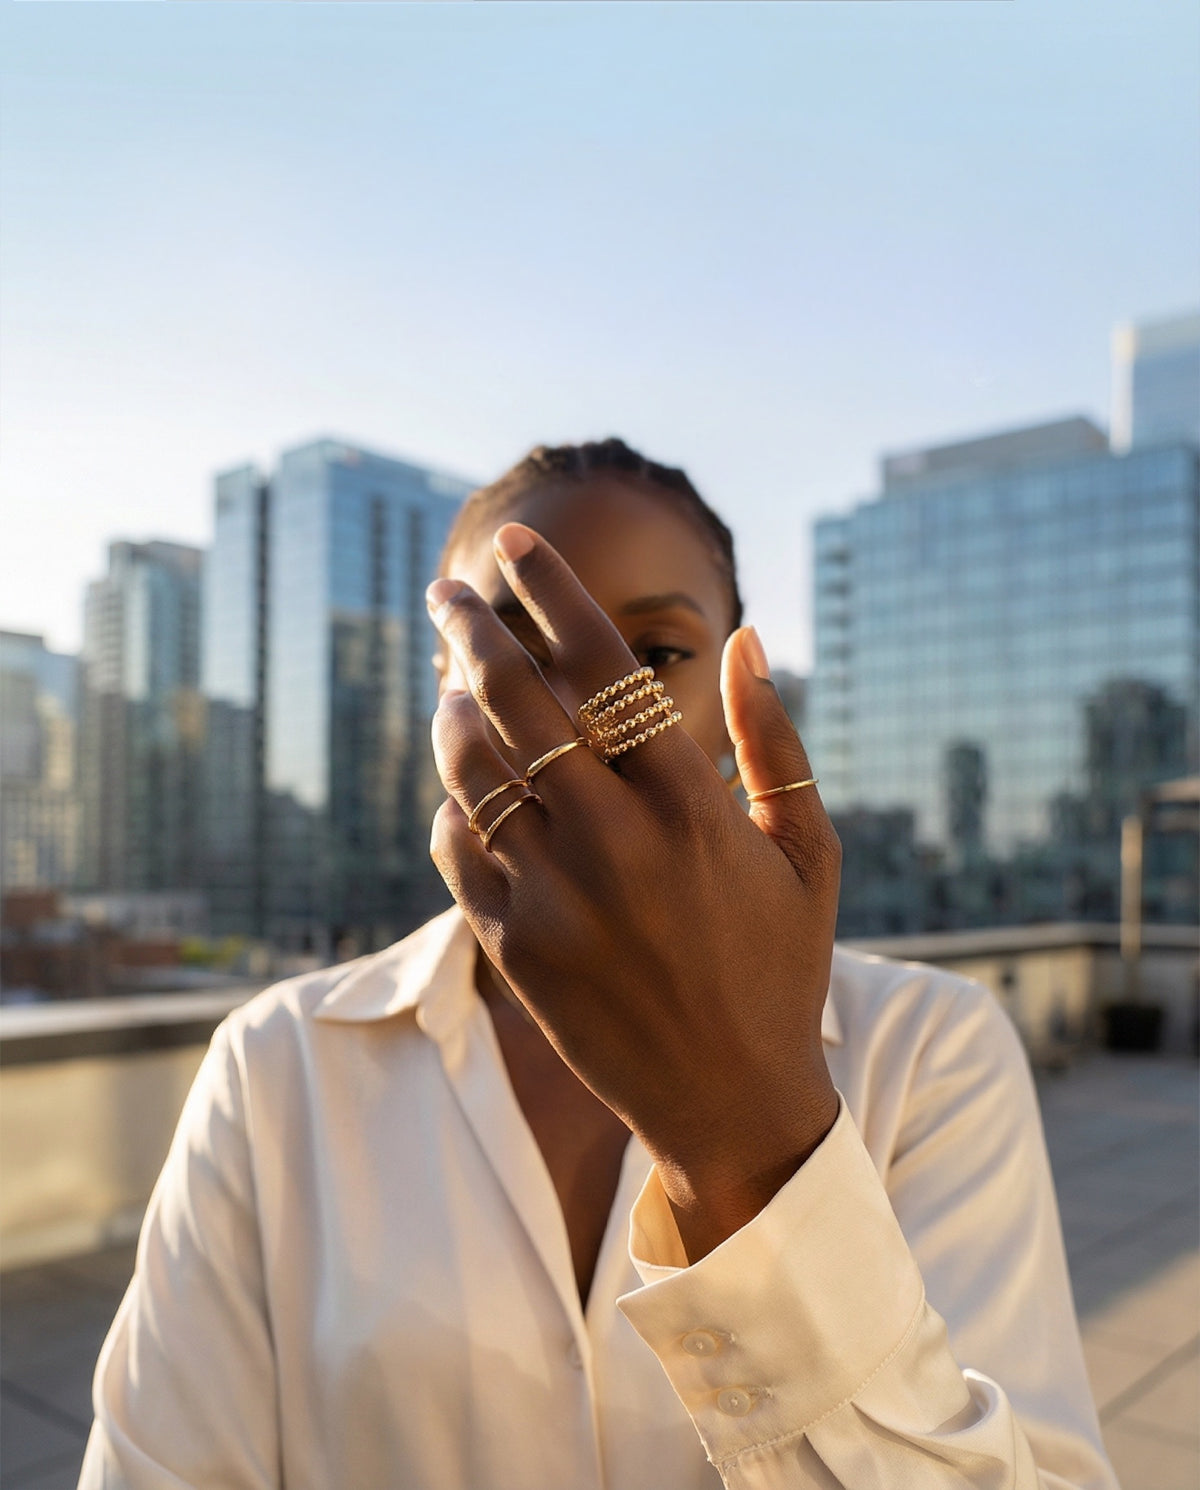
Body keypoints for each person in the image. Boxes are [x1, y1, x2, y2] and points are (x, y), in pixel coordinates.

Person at [80, 439, 1118, 1490]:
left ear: (734, 700)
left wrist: (750, 1134)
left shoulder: (930, 1045)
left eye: (655, 654)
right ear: (441, 699)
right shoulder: (277, 1065)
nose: (577, 706)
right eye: (513, 652)